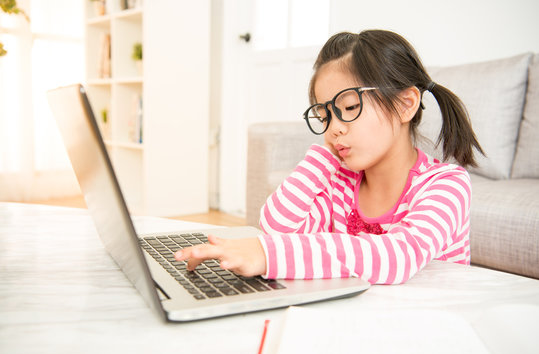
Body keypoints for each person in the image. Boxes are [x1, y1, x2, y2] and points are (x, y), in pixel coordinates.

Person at [175, 29, 484, 284]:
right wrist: (325, 157)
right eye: (324, 116)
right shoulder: (342, 184)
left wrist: (267, 254)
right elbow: (279, 228)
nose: (334, 128)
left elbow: (397, 257)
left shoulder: (446, 185)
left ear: (405, 104)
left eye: (349, 108)